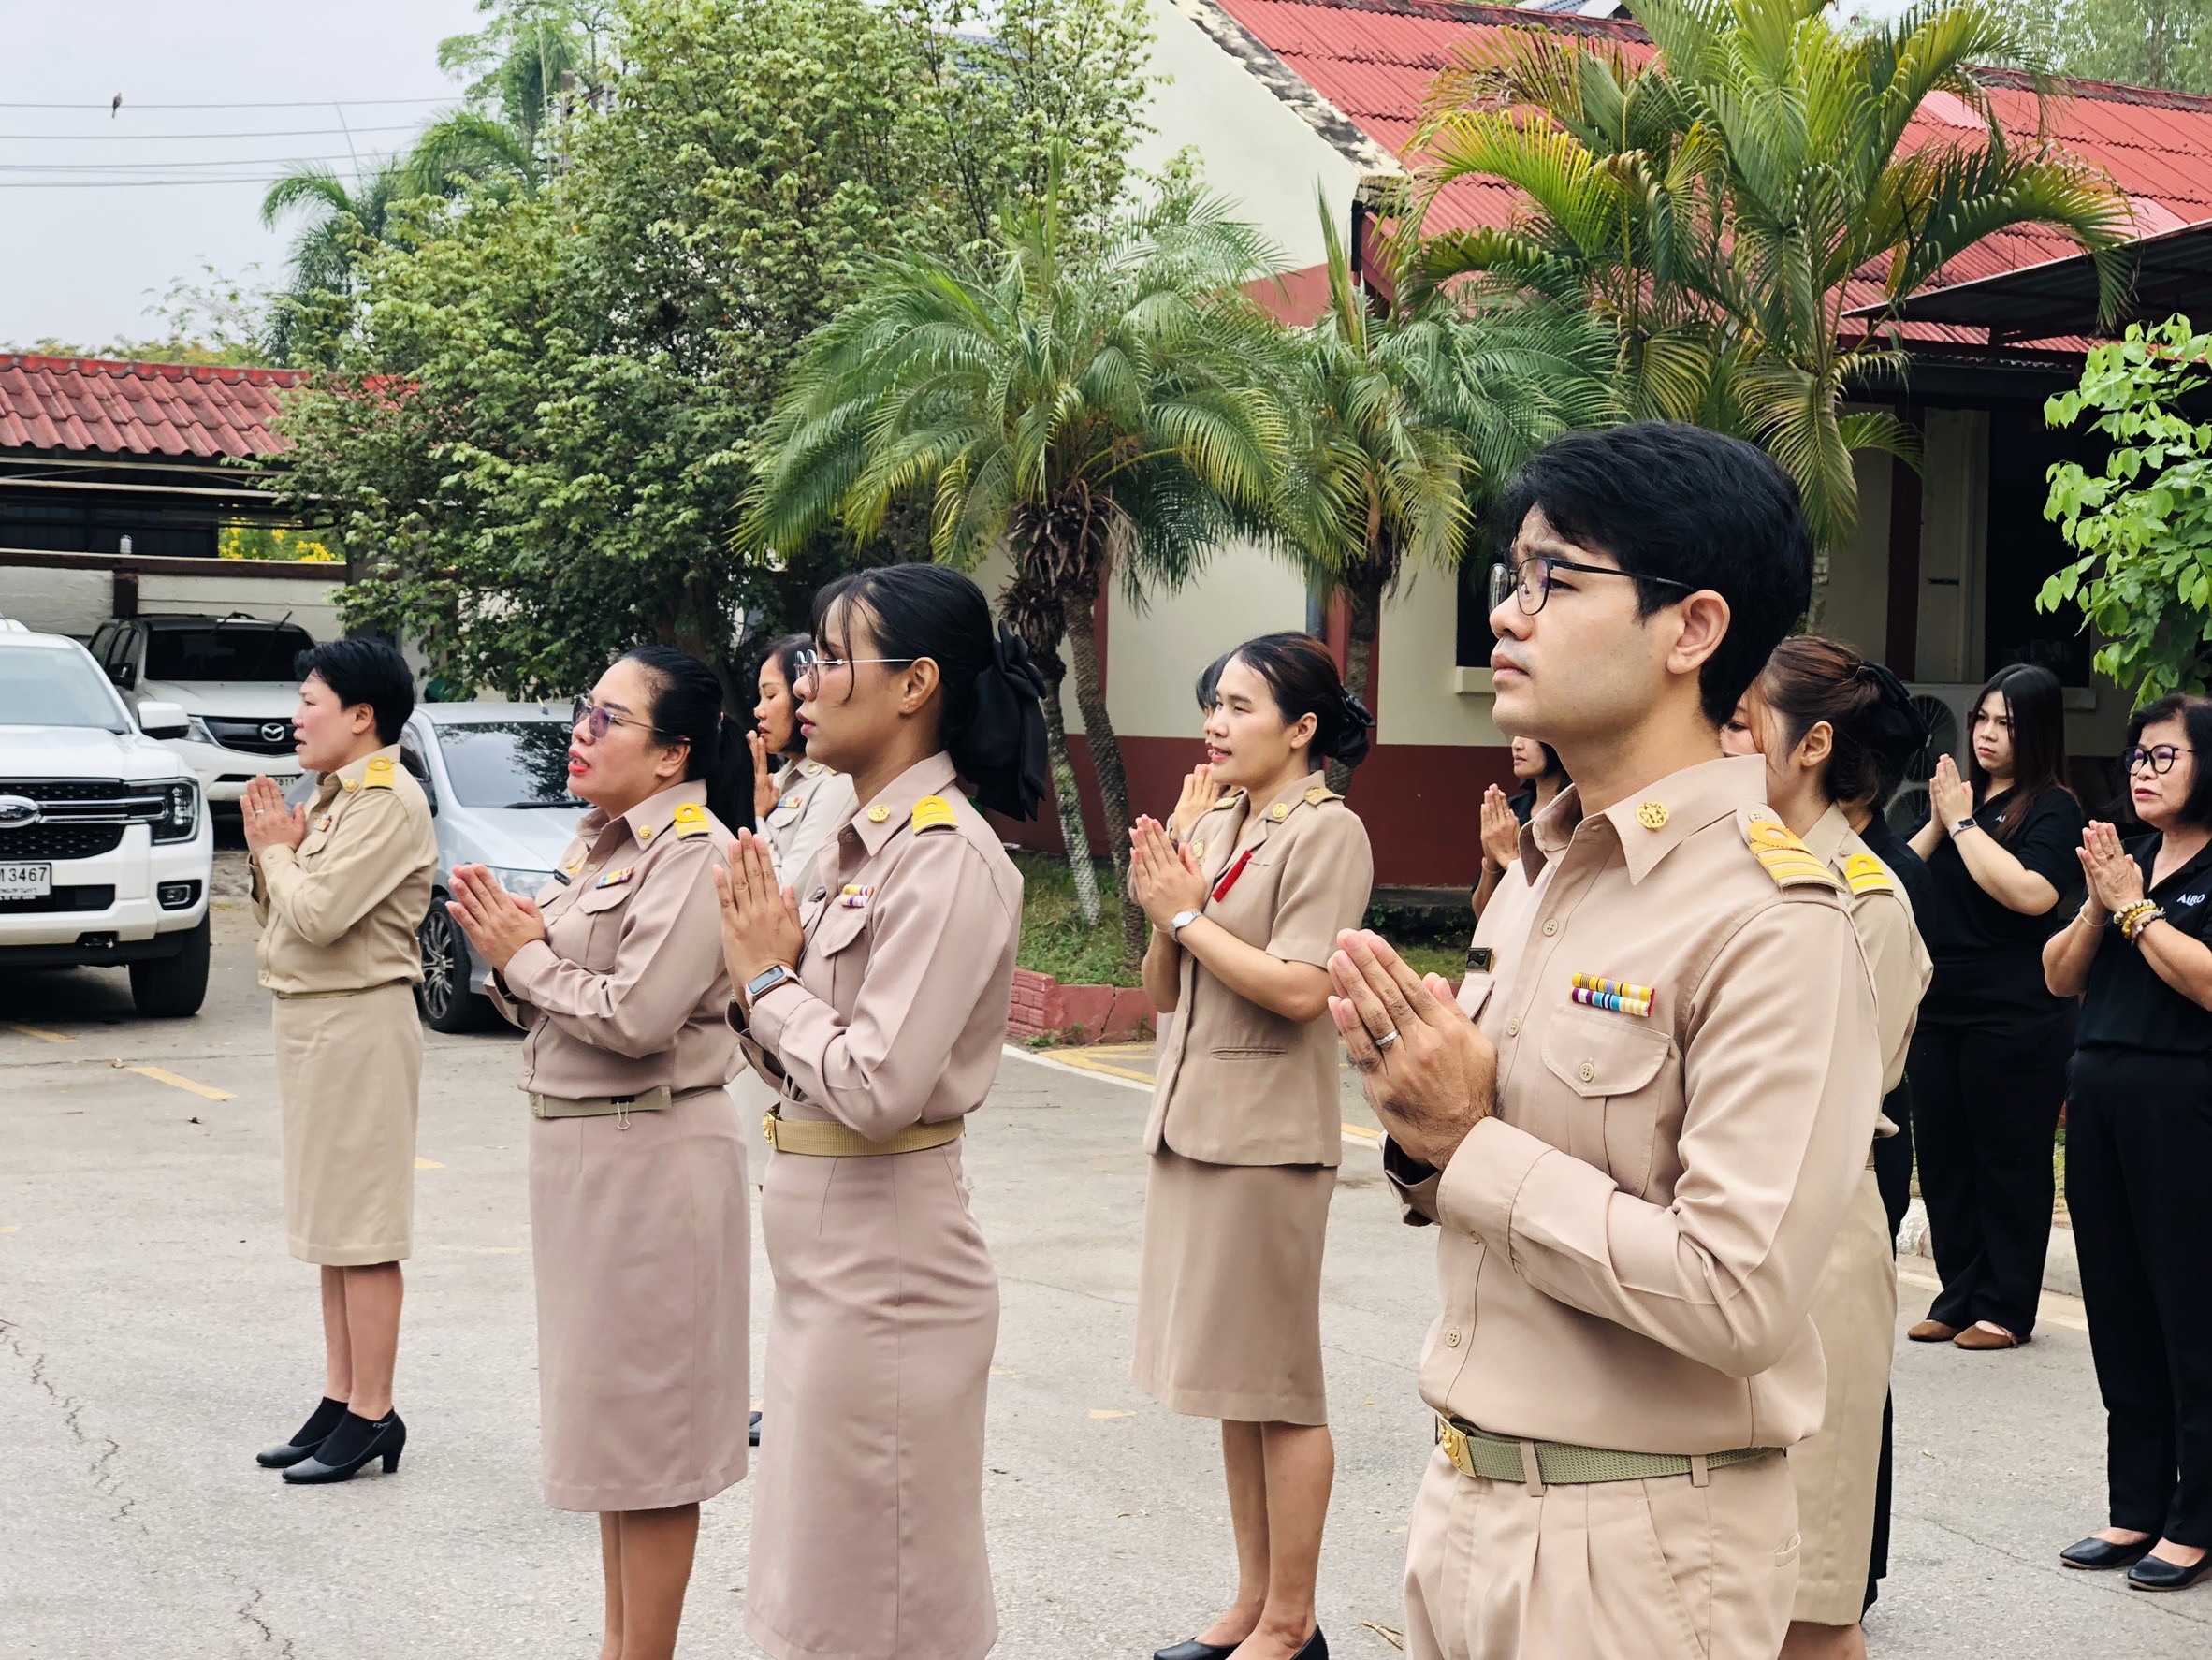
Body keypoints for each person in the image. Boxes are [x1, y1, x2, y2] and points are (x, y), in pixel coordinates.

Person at [1325, 421, 1882, 1660]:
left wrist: (1470, 1144)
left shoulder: (1770, 919)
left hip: (1640, 1545)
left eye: (1555, 581)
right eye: (1510, 581)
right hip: (1469, 1500)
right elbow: (1493, 1168)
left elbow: (1737, 1293)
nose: (1509, 618)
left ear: (1692, 629)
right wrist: (1422, 1132)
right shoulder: (1543, 871)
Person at [716, 562, 1047, 1660]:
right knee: (822, 1579)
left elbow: (877, 1083)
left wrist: (769, 986)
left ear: (914, 684)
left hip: (890, 1260)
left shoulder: (949, 856)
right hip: (829, 1251)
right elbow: (807, 1060)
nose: (804, 682)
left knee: (885, 1594)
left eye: (829, 657)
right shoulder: (853, 846)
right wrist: (758, 992)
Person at [444, 645, 752, 1660]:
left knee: (654, 1443)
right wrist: (514, 955)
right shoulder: (603, 843)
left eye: (606, 719)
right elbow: (547, 981)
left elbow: (640, 1014)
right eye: (584, 710)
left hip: (651, 1153)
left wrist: (521, 957)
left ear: (671, 755)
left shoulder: (694, 852)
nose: (580, 732)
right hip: (587, 1155)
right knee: (615, 1438)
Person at [1128, 633, 1377, 1660]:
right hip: (1195, 1125)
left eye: (1237, 706)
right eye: (1212, 704)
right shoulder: (1219, 816)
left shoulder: (1330, 834)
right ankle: (1248, 1602)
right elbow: (1159, 989)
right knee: (1235, 1386)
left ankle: (1293, 1617)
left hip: (1268, 1140)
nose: (1214, 724)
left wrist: (1184, 913)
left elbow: (1301, 987)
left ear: (1302, 727)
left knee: (1280, 1387)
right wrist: (1165, 907)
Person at [1722, 636, 1934, 1659]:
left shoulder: (1869, 898)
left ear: (1810, 744)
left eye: (1742, 714)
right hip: (1727, 1228)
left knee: (1810, 1599)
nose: (1722, 728)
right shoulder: (1735, 865)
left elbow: (1828, 1097)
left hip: (1814, 1242)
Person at [244, 638, 437, 1483]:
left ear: (363, 717)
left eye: (311, 700)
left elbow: (318, 916)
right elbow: (282, 923)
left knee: (363, 1229)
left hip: (359, 1021)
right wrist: (274, 849)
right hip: (314, 1022)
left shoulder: (388, 801)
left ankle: (374, 1412)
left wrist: (276, 852)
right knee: (331, 1227)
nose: (296, 716)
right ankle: (338, 1395)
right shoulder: (332, 800)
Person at [2043, 693, 2212, 1593]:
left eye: (2165, 757)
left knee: (2191, 1311)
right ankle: (2136, 1504)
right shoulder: (2128, 860)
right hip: (2101, 1097)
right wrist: (2100, 905)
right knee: (2119, 1307)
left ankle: (2196, 1518)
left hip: (2185, 1104)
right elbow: (2058, 975)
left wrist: (2139, 913)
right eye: (2138, 757)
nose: (2143, 772)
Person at [1905, 663, 2084, 1350]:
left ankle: (2006, 1308)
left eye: (2004, 722)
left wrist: (1961, 825)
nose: (1985, 732)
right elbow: (1903, 874)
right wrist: (1945, 816)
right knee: (1946, 1156)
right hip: (1941, 1005)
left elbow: (2030, 893)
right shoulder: (1962, 802)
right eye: (1981, 717)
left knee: (2007, 1159)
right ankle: (1957, 1296)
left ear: (2034, 730)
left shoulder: (2053, 806)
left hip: (2016, 1014)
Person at [749, 631, 858, 890]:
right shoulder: (777, 780)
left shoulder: (837, 781)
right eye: (760, 697)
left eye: (771, 695)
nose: (758, 710)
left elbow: (789, 893)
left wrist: (755, 817)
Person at [1472, 738, 1567, 921]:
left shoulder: (1580, 811)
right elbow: (1483, 915)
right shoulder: (1512, 810)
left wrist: (1509, 857)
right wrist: (1492, 858)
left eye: (1529, 735)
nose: (1516, 744)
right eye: (1515, 733)